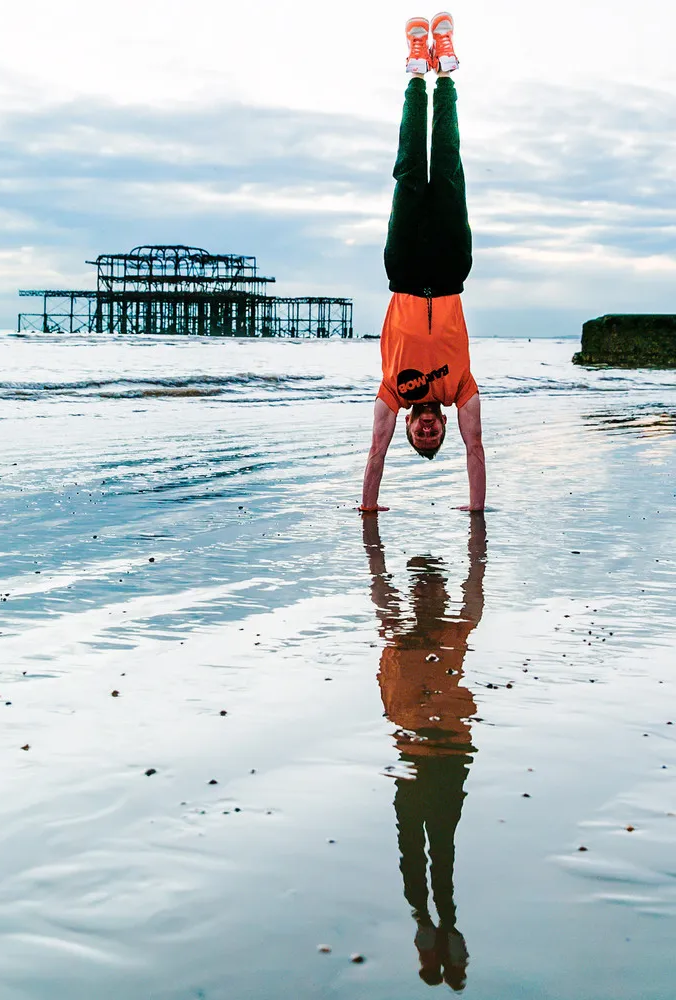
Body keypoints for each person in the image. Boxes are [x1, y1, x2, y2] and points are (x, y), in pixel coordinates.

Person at [360, 13, 485, 514]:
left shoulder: (393, 391)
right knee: (449, 162)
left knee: (411, 166)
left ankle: (416, 70)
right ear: (443, 427)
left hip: (406, 271)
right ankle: (446, 71)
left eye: (420, 435)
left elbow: (374, 452)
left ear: (409, 426)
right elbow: (476, 450)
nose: (427, 430)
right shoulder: (462, 390)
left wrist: (369, 508)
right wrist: (476, 509)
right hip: (452, 270)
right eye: (434, 437)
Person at [362, 512, 487, 990]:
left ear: (445, 594)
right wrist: (372, 543)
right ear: (413, 597)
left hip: (449, 750)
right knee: (413, 838)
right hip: (414, 751)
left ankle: (443, 919)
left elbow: (476, 582)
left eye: (434, 590)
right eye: (421, 590)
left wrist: (477, 546)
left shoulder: (459, 630)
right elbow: (378, 584)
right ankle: (427, 919)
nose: (427, 595)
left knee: (441, 841)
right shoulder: (397, 630)